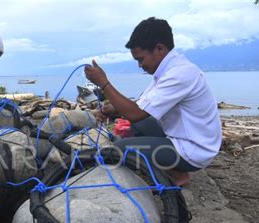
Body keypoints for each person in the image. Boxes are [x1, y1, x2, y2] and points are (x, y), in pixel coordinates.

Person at [85, 17, 221, 186]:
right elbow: (141, 105)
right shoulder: (167, 70)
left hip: (193, 151)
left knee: (119, 149)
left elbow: (134, 113)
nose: (139, 65)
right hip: (181, 138)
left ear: (159, 49)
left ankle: (176, 172)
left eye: (141, 59)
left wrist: (103, 83)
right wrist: (113, 109)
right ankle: (176, 173)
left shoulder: (180, 74)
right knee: (137, 125)